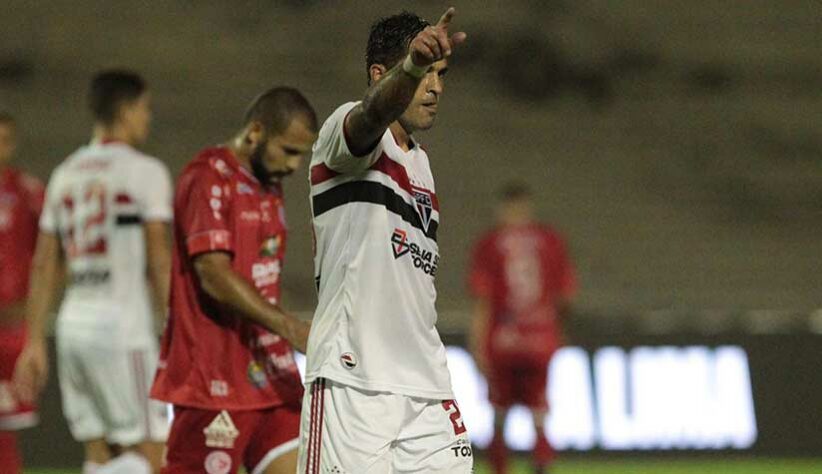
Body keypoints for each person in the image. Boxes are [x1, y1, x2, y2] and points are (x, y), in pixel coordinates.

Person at [299, 8, 471, 473]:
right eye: (423, 73)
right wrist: (409, 66)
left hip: (426, 387)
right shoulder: (345, 137)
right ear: (381, 74)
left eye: (440, 73)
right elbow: (372, 113)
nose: (435, 86)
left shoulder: (421, 163)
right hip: (354, 383)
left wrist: (416, 66)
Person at [13, 70, 173, 474]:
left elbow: (44, 263)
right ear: (126, 110)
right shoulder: (145, 172)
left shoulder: (65, 174)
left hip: (72, 330)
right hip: (123, 330)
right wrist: (176, 329)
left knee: (100, 454)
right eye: (144, 109)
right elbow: (158, 259)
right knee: (152, 456)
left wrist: (34, 341)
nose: (147, 120)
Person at [150, 87, 316, 474]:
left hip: (269, 374)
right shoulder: (207, 177)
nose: (294, 166)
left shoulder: (268, 184)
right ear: (256, 132)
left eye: (300, 155)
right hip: (213, 377)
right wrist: (288, 325)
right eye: (288, 151)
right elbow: (214, 275)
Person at [468, 183, 577, 474]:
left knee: (499, 416)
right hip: (541, 338)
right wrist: (557, 331)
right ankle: (540, 466)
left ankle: (500, 469)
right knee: (539, 414)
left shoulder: (490, 242)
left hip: (503, 341)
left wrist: (478, 345)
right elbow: (565, 296)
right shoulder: (549, 239)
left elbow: (484, 300)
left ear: (504, 208)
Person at [0, 113, 44, 473]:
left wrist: (34, 311)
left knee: (7, 427)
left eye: (5, 139)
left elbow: (51, 255)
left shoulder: (29, 193)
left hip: (13, 329)